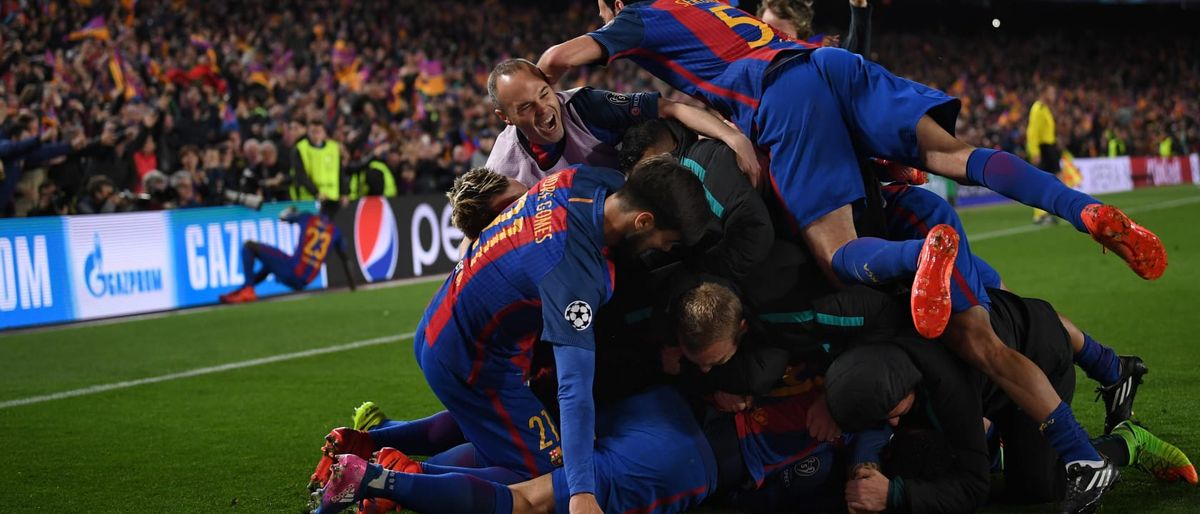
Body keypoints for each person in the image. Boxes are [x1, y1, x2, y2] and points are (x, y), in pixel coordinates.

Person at [537, 1, 1167, 344]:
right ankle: (1081, 209)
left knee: (835, 254)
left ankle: (921, 255)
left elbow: (559, 58)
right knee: (957, 156)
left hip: (780, 93)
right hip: (830, 63)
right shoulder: (713, 6)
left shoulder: (638, 15)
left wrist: (534, 93)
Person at [313, 157, 713, 514]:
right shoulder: (574, 274)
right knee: (541, 478)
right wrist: (582, 492)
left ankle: (368, 444)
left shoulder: (584, 180)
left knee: (502, 433)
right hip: (470, 363)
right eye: (668, 241)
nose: (664, 249)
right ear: (643, 221)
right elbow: (574, 389)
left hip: (443, 325)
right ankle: (383, 479)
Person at [484, 58, 759, 188]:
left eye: (544, 93)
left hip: (631, 206)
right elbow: (477, 236)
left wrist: (732, 137)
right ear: (505, 117)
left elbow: (670, 108)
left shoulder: (584, 106)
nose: (543, 109)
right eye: (526, 107)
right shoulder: (502, 167)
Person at [218, 203, 353, 303]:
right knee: (270, 264)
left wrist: (291, 210)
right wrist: (353, 287)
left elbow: (283, 217)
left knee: (249, 246)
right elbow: (346, 260)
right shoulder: (336, 232)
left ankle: (248, 289)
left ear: (321, 208)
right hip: (304, 281)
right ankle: (242, 291)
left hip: (292, 270)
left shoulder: (308, 218)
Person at [291, 116, 348, 206]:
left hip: (333, 197)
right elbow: (301, 175)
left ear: (324, 132)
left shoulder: (333, 148)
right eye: (313, 131)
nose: (316, 135)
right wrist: (316, 192)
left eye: (319, 131)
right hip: (310, 199)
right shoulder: (301, 148)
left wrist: (344, 193)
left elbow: (340, 172)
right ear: (308, 132)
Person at [1027, 84, 1062, 225]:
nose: (1054, 95)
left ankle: (1049, 209)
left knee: (1055, 179)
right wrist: (1035, 152)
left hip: (1050, 147)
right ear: (1044, 93)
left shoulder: (1046, 108)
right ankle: (1040, 214)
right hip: (1043, 148)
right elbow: (1032, 131)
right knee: (1042, 181)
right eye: (1051, 92)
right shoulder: (1038, 108)